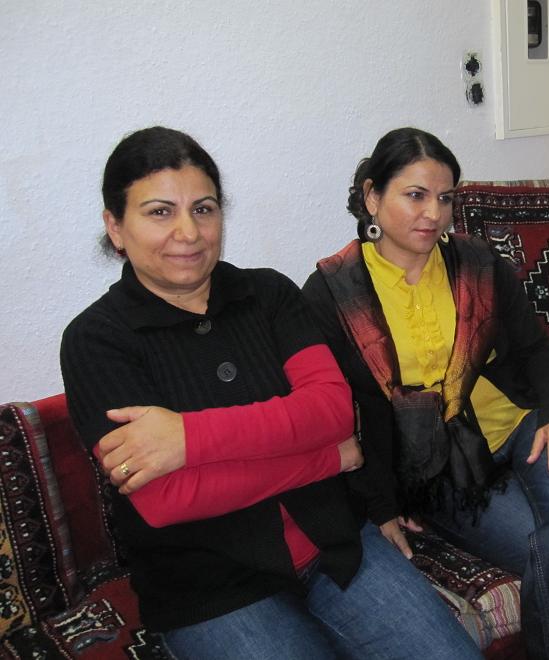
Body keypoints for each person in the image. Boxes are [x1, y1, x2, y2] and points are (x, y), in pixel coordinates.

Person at [60, 126, 482, 659]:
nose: (189, 232)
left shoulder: (269, 294)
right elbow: (165, 500)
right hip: (210, 588)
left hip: (336, 544)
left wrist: (187, 438)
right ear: (116, 227)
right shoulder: (96, 340)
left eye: (204, 209)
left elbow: (331, 411)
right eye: (160, 212)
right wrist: (326, 459)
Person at [302, 127, 549, 659]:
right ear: (372, 196)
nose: (433, 214)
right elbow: (345, 413)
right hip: (437, 468)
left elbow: (534, 350)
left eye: (445, 198)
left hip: (521, 426)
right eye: (416, 195)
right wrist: (381, 507)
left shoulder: (477, 264)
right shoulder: (332, 292)